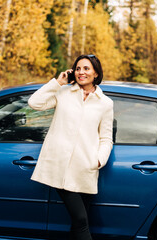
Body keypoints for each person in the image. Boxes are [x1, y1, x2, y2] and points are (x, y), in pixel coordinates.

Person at [28, 54, 114, 240]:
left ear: (96, 73)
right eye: (78, 68)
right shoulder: (63, 93)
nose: (81, 72)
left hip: (85, 168)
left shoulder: (105, 103)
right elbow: (34, 103)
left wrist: (98, 160)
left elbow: (106, 138)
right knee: (81, 220)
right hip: (60, 167)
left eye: (86, 68)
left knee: (78, 223)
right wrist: (57, 83)